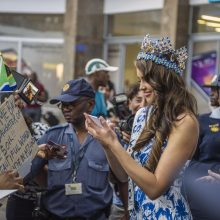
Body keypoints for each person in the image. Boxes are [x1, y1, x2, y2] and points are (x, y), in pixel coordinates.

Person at [85, 34, 199, 219]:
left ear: (164, 79)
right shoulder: (142, 115)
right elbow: (124, 176)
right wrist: (107, 142)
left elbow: (154, 188)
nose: (143, 87)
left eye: (148, 80)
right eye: (140, 80)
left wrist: (114, 144)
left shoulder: (185, 122)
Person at [29, 78, 112, 219]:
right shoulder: (52, 136)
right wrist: (40, 158)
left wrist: (127, 212)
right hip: (55, 215)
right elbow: (30, 172)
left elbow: (122, 180)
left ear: (90, 104)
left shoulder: (107, 139)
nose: (66, 108)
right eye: (63, 104)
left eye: (72, 104)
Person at [182, 74, 220, 220]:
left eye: (216, 89)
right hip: (202, 191)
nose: (212, 93)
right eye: (212, 89)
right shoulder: (199, 121)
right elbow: (189, 158)